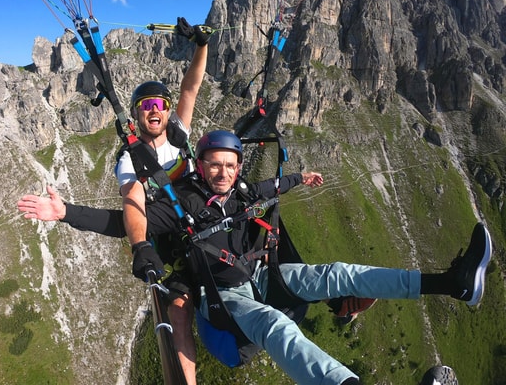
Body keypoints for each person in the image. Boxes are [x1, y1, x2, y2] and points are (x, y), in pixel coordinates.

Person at [142, 130, 493, 385]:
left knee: (337, 274)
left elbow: (270, 188)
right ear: (199, 166)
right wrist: (138, 246)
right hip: (225, 299)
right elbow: (124, 223)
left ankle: (452, 283)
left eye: (230, 166)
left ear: (237, 167)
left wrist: (300, 177)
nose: (223, 172)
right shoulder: (180, 206)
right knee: (276, 326)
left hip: (258, 277)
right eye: (214, 165)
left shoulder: (237, 192)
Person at [18, 17, 210, 384]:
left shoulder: (179, 135)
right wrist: (68, 214)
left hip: (204, 218)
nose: (155, 110)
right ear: (138, 114)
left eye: (160, 104)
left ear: (167, 111)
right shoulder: (129, 160)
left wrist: (201, 44)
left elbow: (191, 87)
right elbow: (131, 206)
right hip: (174, 236)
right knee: (179, 314)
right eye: (147, 105)